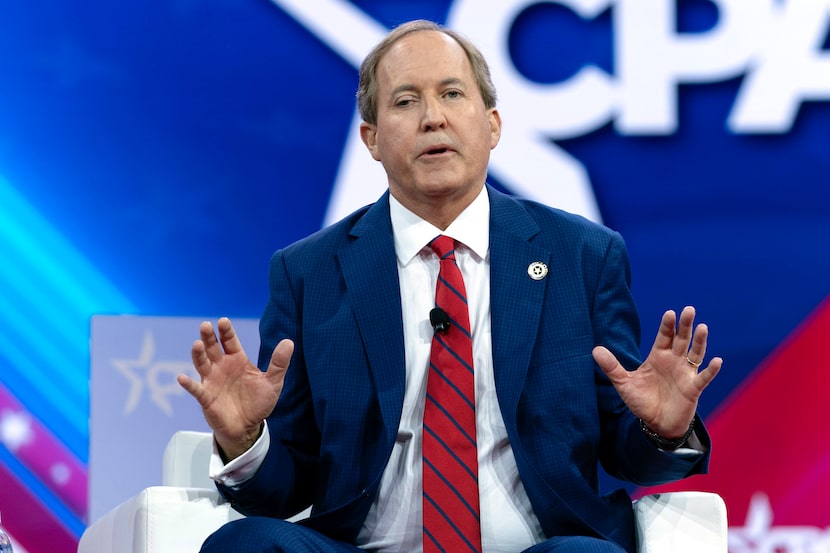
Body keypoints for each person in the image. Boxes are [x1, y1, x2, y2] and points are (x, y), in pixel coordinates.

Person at [177, 19, 722, 553]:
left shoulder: (583, 255)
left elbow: (624, 452)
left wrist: (662, 430)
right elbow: (285, 488)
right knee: (243, 543)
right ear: (371, 139)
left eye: (452, 93)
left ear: (492, 125)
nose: (432, 118)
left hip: (541, 547)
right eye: (405, 101)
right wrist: (245, 440)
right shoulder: (307, 273)